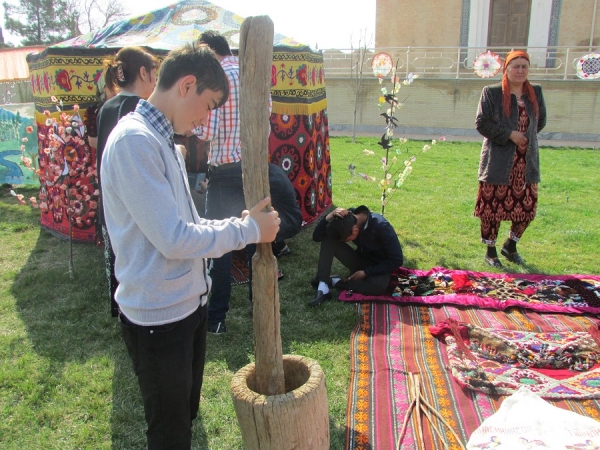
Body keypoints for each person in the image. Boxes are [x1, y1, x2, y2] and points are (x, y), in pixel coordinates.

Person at [100, 43, 280, 449]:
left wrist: (242, 222)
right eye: (209, 105)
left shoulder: (162, 141)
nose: (205, 120)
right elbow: (176, 239)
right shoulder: (135, 142)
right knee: (170, 434)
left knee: (182, 418)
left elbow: (189, 225)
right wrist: (249, 231)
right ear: (186, 85)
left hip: (186, 307)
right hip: (158, 319)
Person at [95, 46, 159, 316]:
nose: (156, 82)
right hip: (136, 201)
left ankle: (120, 306)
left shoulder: (106, 107)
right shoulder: (140, 110)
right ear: (143, 73)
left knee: (120, 256)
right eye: (154, 74)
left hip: (112, 199)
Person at [193, 31, 245, 335]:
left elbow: (206, 132)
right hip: (250, 166)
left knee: (220, 245)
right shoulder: (251, 73)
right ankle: (259, 306)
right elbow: (265, 121)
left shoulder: (217, 79)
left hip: (224, 169)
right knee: (255, 240)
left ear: (209, 51)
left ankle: (216, 318)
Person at [474, 50, 546, 268]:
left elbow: (540, 121)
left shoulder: (535, 93)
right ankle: (491, 251)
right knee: (492, 209)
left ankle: (510, 245)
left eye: (525, 66)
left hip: (526, 162)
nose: (520, 70)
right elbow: (482, 123)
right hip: (498, 160)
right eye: (516, 66)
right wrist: (509, 135)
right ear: (506, 69)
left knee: (527, 209)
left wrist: (526, 137)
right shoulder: (492, 93)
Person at [310, 205, 404, 306]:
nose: (348, 241)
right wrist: (328, 217)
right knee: (328, 239)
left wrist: (366, 273)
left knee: (377, 286)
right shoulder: (346, 218)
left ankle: (335, 282)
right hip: (360, 260)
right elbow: (317, 237)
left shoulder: (381, 226)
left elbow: (397, 259)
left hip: (379, 267)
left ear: (355, 231)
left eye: (347, 240)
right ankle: (323, 285)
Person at [247, 163, 302, 302]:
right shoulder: (269, 170)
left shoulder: (273, 180)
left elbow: (258, 208)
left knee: (257, 225)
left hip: (290, 220)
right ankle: (280, 246)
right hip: (285, 215)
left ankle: (265, 268)